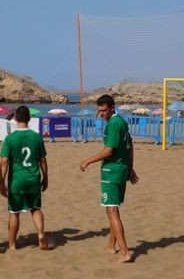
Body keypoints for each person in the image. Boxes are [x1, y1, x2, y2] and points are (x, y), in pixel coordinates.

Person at [79, 95, 138, 263]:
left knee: (111, 211)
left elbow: (109, 150)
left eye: (104, 110)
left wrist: (87, 161)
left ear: (112, 108)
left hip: (112, 172)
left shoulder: (113, 124)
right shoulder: (122, 121)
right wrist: (130, 167)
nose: (101, 113)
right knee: (113, 209)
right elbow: (130, 144)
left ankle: (125, 252)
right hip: (122, 169)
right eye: (99, 110)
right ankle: (111, 245)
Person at [0, 106, 49, 251]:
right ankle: (40, 233)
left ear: (15, 118)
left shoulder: (10, 138)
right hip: (33, 178)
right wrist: (46, 178)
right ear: (29, 118)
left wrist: (1, 182)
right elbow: (43, 161)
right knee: (35, 208)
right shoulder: (36, 137)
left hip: (17, 180)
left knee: (15, 212)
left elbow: (4, 162)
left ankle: (12, 244)